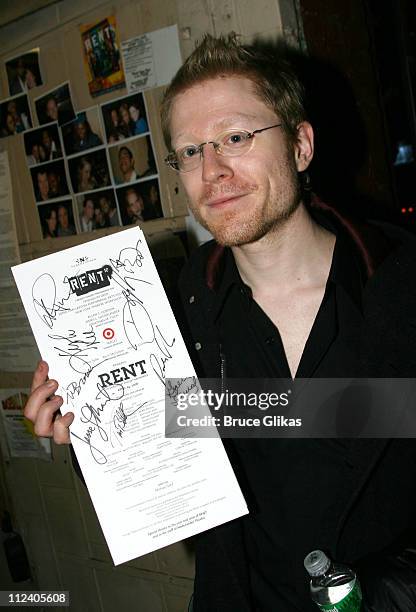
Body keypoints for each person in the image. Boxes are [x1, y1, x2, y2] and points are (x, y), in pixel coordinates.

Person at [23, 34, 416, 611]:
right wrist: (93, 432)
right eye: (189, 151)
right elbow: (173, 484)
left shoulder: (400, 292)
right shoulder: (170, 318)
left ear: (301, 145)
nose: (212, 171)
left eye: (235, 138)